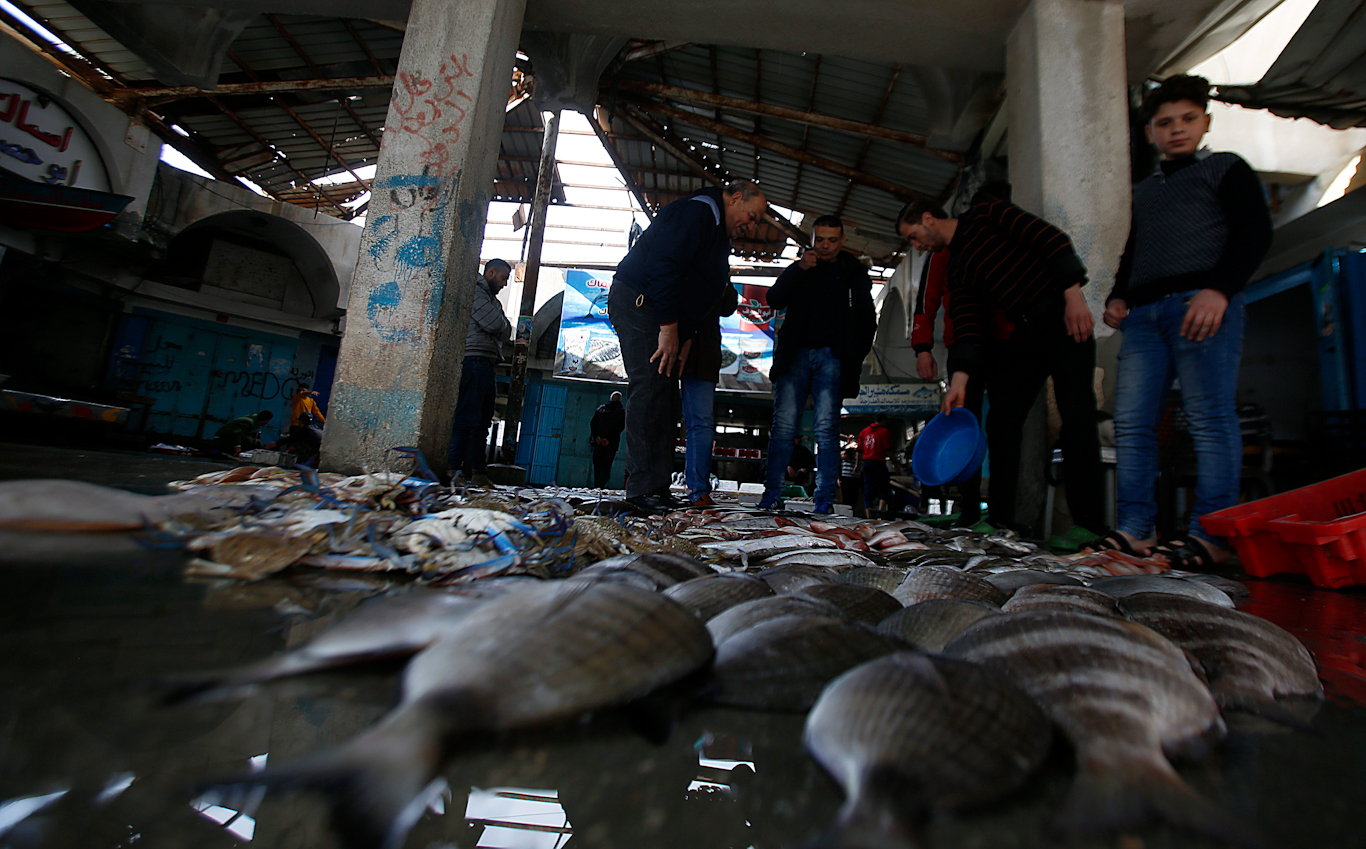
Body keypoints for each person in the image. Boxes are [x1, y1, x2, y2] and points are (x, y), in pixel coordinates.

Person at [1089, 74, 1272, 567]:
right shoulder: (1146, 190)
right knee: (1131, 423)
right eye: (1165, 123)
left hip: (1203, 305)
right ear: (1151, 132)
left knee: (1210, 418)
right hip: (1146, 317)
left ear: (1205, 122)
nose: (1176, 130)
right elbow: (1137, 249)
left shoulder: (1226, 169)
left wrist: (1220, 290)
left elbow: (1254, 233)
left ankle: (1211, 532)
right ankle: (1135, 529)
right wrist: (1120, 296)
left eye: (1188, 119)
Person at [896, 195, 1105, 540]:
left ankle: (1091, 524)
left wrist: (1074, 296)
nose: (916, 247)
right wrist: (959, 380)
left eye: (913, 236)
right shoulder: (958, 266)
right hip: (1024, 330)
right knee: (1002, 420)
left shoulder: (989, 215)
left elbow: (1048, 238)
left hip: (1061, 315)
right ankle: (1000, 518)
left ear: (929, 218)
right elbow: (968, 323)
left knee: (1077, 418)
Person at [609, 180, 767, 514]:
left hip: (668, 317)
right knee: (650, 386)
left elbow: (703, 292)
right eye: (751, 216)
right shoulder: (697, 212)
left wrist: (687, 336)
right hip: (638, 301)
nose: (750, 226)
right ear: (736, 198)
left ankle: (657, 486)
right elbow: (664, 267)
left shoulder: (716, 236)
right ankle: (641, 490)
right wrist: (668, 328)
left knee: (665, 394)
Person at [758, 215, 877, 513]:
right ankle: (772, 494)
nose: (825, 246)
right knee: (784, 427)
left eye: (832, 240)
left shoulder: (853, 272)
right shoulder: (802, 267)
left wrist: (853, 357)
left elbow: (867, 320)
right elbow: (774, 298)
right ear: (811, 239)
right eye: (819, 239)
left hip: (833, 357)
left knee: (827, 429)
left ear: (842, 240)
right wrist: (798, 269)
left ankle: (824, 500)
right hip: (795, 355)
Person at [449, 258, 512, 486]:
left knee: (483, 421)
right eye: (503, 277)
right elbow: (498, 326)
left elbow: (506, 331)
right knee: (467, 418)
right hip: (473, 360)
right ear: (491, 272)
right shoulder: (475, 293)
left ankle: (478, 473)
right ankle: (453, 470)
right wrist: (500, 326)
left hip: (487, 363)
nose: (505, 283)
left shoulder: (492, 301)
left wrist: (500, 325)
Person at [680, 283, 739, 507]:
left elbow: (727, 306)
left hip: (703, 351)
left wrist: (723, 275)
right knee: (656, 415)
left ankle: (698, 490)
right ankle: (650, 487)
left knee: (701, 422)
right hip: (666, 339)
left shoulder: (717, 266)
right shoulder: (673, 256)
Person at [589, 391, 626, 489]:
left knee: (597, 465)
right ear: (620, 400)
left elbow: (593, 424)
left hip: (598, 442)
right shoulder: (621, 412)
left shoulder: (600, 409)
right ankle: (601, 485)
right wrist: (608, 439)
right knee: (606, 466)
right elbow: (620, 428)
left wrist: (597, 437)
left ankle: (596, 485)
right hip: (611, 443)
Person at [859, 413, 892, 517]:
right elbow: (889, 450)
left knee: (868, 489)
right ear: (883, 421)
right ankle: (880, 513)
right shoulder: (884, 431)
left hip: (866, 463)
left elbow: (859, 451)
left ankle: (868, 515)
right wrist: (895, 464)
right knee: (884, 488)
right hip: (879, 462)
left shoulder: (864, 432)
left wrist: (857, 465)